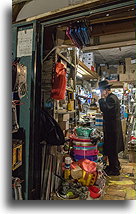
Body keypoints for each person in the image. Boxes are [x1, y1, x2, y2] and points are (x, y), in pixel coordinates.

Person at [98, 80, 124, 176]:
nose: (101, 93)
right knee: (111, 148)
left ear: (105, 90)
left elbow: (105, 109)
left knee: (112, 149)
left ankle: (115, 170)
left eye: (101, 91)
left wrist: (101, 99)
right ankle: (115, 165)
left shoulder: (111, 98)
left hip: (112, 128)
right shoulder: (112, 97)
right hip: (112, 127)